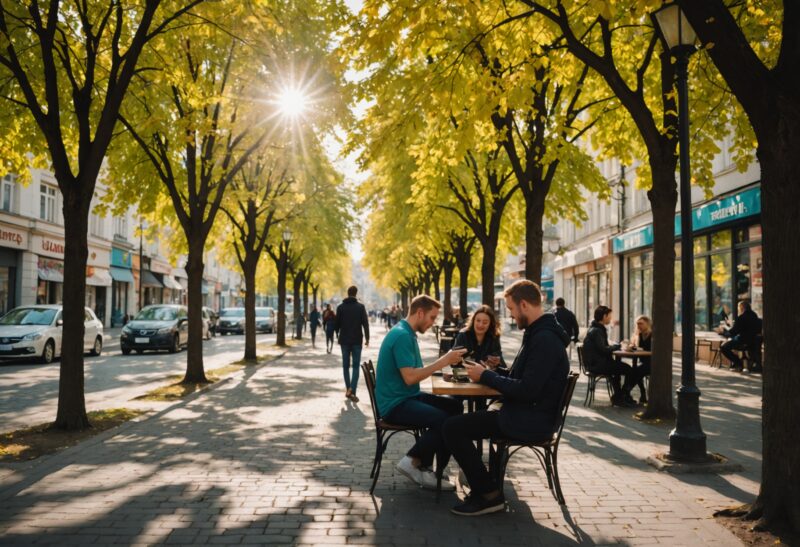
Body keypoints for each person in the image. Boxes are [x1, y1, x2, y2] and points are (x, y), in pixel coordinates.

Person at [442, 280, 570, 516]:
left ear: (523, 304)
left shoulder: (544, 339)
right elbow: (522, 379)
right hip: (526, 413)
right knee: (457, 424)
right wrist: (490, 372)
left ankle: (488, 493)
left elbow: (527, 390)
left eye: (511, 309)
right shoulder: (538, 333)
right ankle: (486, 486)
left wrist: (487, 376)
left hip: (531, 420)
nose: (510, 314)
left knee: (452, 427)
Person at [375, 295, 467, 491]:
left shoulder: (406, 333)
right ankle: (413, 462)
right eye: (432, 317)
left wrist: (442, 371)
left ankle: (435, 469)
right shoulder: (402, 336)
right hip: (395, 404)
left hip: (406, 396)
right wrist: (443, 361)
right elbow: (410, 377)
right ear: (420, 313)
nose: (433, 322)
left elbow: (413, 373)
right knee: (444, 420)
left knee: (455, 407)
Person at [582, 305, 641, 407]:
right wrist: (618, 346)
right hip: (598, 365)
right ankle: (622, 395)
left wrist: (614, 347)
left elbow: (603, 347)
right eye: (610, 316)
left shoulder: (595, 328)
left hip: (595, 363)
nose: (611, 318)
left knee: (617, 370)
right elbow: (604, 349)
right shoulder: (597, 331)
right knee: (629, 370)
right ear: (604, 316)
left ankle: (619, 397)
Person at [335, 286, 370, 402]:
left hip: (344, 341)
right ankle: (352, 390)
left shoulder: (340, 308)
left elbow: (337, 324)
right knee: (355, 367)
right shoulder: (360, 307)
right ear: (356, 294)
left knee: (345, 366)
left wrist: (337, 334)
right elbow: (365, 324)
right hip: (356, 340)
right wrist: (367, 338)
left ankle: (348, 389)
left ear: (347, 293)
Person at [452, 305, 505, 369]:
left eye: (485, 322)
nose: (480, 325)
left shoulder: (494, 337)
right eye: (478, 320)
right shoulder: (463, 335)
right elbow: (453, 363)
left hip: (486, 376)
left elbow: (502, 364)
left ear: (490, 324)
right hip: (465, 375)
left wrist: (497, 363)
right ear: (473, 321)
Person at [717, 300, 762, 372]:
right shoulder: (756, 318)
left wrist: (723, 332)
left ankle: (738, 363)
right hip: (754, 343)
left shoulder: (742, 318)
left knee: (724, 347)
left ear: (742, 308)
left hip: (743, 341)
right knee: (732, 342)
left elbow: (733, 332)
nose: (738, 310)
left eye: (738, 308)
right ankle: (738, 364)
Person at [629, 315, 652, 404]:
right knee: (633, 370)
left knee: (636, 371)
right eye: (637, 324)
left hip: (651, 363)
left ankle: (626, 392)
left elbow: (653, 351)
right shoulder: (638, 335)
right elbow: (637, 347)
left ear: (647, 323)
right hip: (642, 362)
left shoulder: (652, 335)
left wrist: (640, 349)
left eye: (641, 323)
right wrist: (632, 347)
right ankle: (640, 393)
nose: (639, 326)